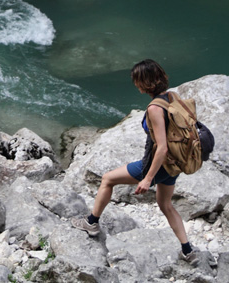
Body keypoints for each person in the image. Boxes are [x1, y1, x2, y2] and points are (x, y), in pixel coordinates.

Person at [71, 58, 198, 263]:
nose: (135, 84)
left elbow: (162, 147)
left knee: (107, 179)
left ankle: (91, 222)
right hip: (175, 164)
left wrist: (148, 178)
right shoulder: (172, 96)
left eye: (137, 80)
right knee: (165, 204)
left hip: (156, 164)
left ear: (144, 83)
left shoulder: (154, 109)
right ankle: (188, 250)